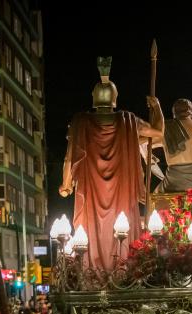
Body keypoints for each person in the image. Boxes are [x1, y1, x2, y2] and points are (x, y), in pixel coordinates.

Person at [59, 56, 164, 272]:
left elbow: (70, 157)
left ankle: (91, 272)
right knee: (122, 224)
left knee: (89, 230)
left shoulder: (80, 122)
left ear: (94, 97)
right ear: (115, 98)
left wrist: (66, 184)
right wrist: (157, 108)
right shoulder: (128, 121)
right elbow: (158, 132)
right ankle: (124, 269)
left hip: (90, 192)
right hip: (121, 191)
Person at [153, 98, 192, 193]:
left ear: (174, 112)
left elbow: (148, 143)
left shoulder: (167, 128)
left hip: (173, 183)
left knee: (155, 195)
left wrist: (156, 107)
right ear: (191, 112)